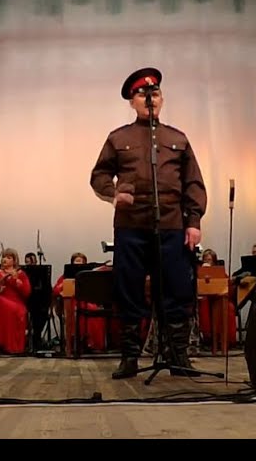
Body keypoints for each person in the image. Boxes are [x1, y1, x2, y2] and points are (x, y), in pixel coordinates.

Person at [90, 67, 207, 379]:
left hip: (171, 225)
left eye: (154, 93)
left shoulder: (178, 139)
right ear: (132, 101)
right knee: (128, 291)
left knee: (176, 291)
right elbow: (99, 175)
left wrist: (193, 221)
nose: (149, 98)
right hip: (130, 226)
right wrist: (113, 193)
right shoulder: (118, 138)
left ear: (162, 99)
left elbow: (193, 183)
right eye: (141, 94)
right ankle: (129, 358)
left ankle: (178, 356)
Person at [0, 249, 31, 354]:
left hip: (16, 304)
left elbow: (27, 292)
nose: (5, 259)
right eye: (4, 257)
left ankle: (6, 345)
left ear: (14, 260)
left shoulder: (20, 273)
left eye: (9, 257)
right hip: (1, 300)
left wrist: (16, 280)